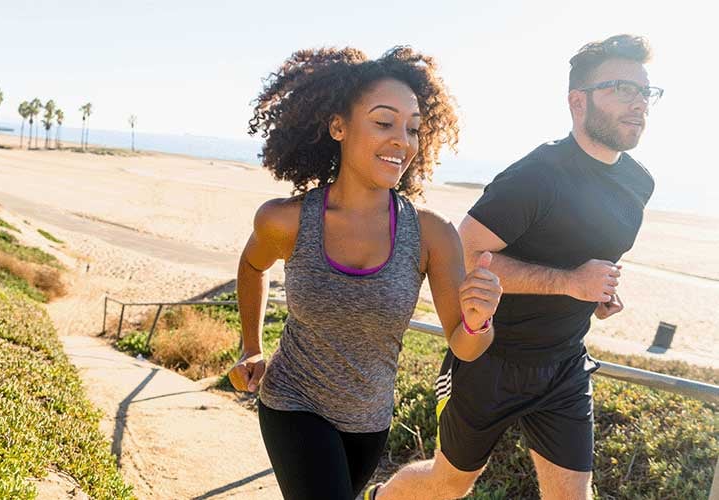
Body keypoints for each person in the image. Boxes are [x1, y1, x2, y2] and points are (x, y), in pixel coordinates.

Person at [375, 34, 659, 500]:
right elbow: (466, 254)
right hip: (491, 359)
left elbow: (590, 255)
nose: (638, 104)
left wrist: (599, 292)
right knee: (447, 485)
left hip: (564, 363)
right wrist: (570, 283)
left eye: (644, 91)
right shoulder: (535, 176)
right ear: (577, 101)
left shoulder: (637, 182)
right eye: (621, 89)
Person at [226, 47, 502, 500]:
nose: (403, 140)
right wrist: (251, 347)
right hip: (293, 402)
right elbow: (251, 265)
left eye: (412, 128)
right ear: (339, 126)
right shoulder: (286, 220)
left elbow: (466, 346)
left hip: (369, 423)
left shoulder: (432, 233)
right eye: (383, 122)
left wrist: (478, 317)